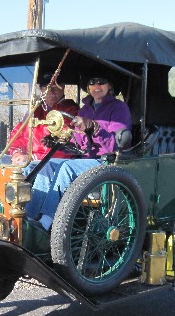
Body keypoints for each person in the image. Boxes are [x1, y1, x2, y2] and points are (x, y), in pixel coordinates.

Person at [28, 75, 132, 231]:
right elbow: (77, 142)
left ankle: (46, 221)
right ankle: (29, 218)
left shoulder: (119, 108)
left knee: (67, 168)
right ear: (88, 88)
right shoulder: (85, 109)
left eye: (101, 82)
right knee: (45, 165)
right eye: (92, 82)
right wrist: (57, 142)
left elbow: (115, 145)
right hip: (84, 159)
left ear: (109, 85)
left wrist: (95, 128)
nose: (96, 86)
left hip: (105, 162)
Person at [4, 73, 79, 164]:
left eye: (55, 87)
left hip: (52, 161)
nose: (51, 92)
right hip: (27, 157)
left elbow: (64, 146)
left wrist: (32, 158)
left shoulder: (70, 110)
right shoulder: (36, 111)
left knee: (26, 166)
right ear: (41, 90)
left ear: (62, 87)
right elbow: (20, 134)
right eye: (47, 88)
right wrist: (17, 152)